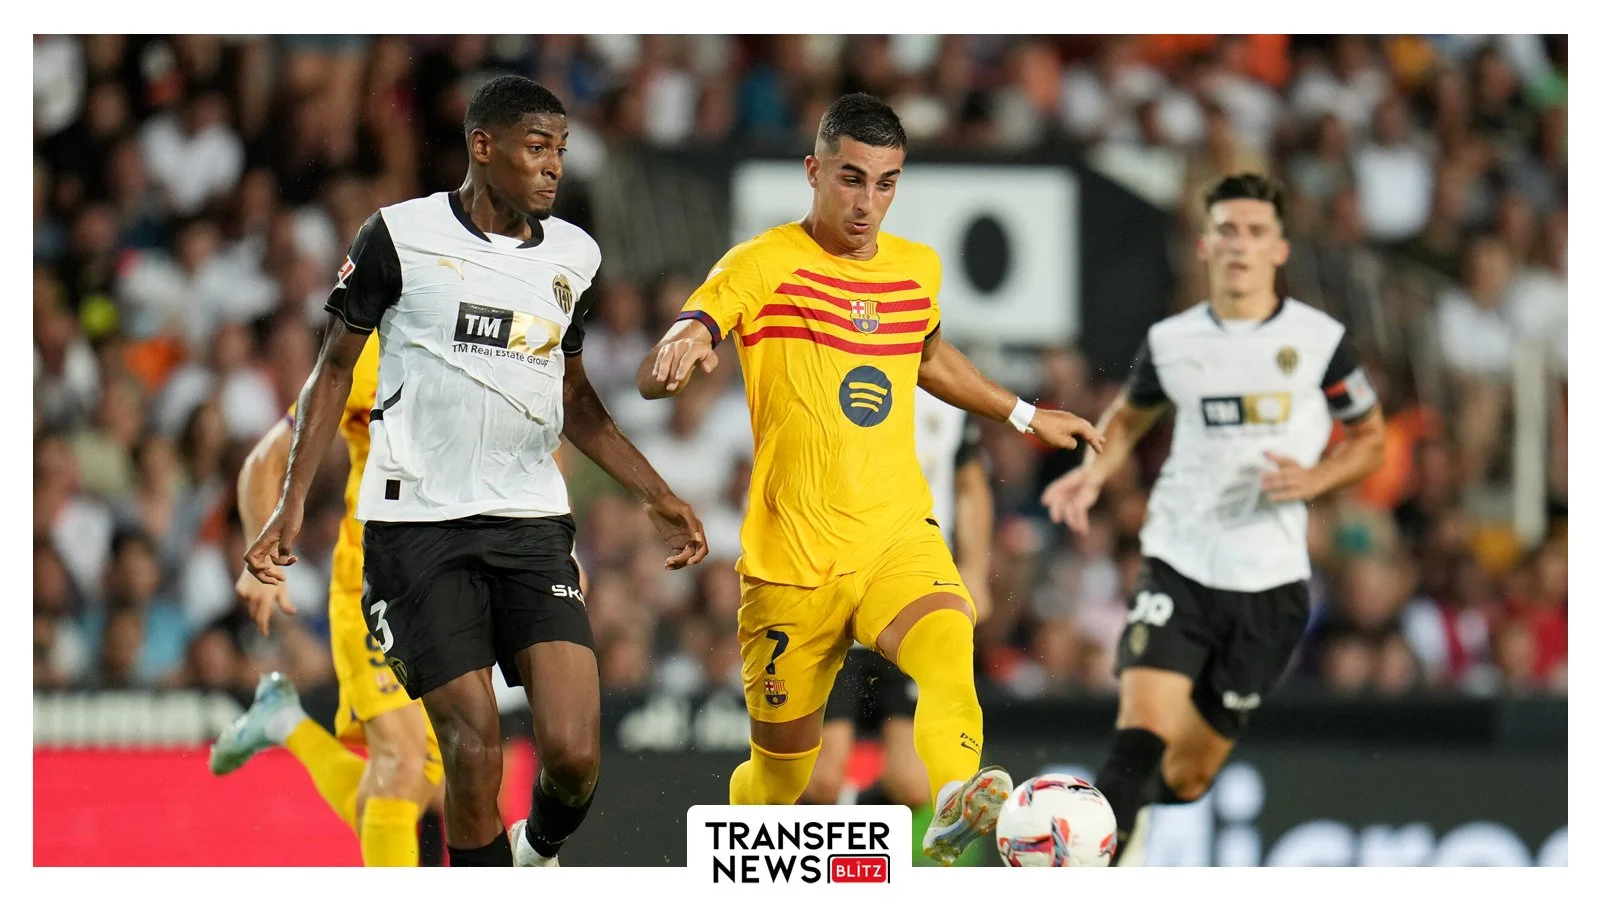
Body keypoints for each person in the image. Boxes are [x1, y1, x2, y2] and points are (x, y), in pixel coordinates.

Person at [244, 75, 708, 868]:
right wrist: (289, 506)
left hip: (529, 524)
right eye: (537, 147)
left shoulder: (575, 256)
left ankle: (536, 850)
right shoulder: (398, 236)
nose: (554, 165)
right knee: (468, 751)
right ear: (482, 147)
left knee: (574, 756)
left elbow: (573, 396)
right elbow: (331, 372)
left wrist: (656, 494)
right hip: (415, 529)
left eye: (561, 149)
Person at [636, 93, 1102, 865]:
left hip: (894, 536)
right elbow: (692, 328)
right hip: (793, 565)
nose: (867, 203)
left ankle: (955, 801)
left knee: (950, 637)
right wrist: (677, 352)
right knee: (783, 780)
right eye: (851, 178)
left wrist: (1024, 414)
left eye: (885, 183)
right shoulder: (761, 263)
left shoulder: (916, 268)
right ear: (813, 171)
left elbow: (929, 357)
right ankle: (731, 852)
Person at [1040, 172, 1387, 864]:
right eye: (1227, 230)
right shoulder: (1172, 340)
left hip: (1270, 585)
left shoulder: (1319, 342)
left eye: (1255, 232)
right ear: (1204, 244)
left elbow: (1371, 437)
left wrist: (1317, 478)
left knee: (1188, 776)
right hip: (1180, 559)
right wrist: (1092, 473)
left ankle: (1124, 822)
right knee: (1138, 738)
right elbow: (1129, 419)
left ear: (1279, 249)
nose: (1239, 244)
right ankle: (1094, 856)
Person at [210, 335, 445, 868]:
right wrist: (261, 558)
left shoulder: (486, 337)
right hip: (373, 586)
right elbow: (263, 463)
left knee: (422, 784)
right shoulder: (367, 356)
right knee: (404, 765)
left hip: (451, 591)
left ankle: (283, 722)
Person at [802, 389, 994, 855]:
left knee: (911, 785)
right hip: (838, 596)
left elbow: (970, 484)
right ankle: (823, 860)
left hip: (914, 595)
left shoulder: (949, 398)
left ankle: (851, 847)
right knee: (822, 780)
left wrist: (975, 569)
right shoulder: (837, 380)